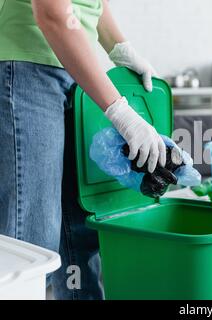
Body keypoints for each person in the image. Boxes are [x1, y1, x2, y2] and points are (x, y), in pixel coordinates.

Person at [0, 0, 170, 299]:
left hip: (75, 71)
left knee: (78, 228)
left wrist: (120, 47)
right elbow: (53, 13)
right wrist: (119, 110)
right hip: (27, 67)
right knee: (32, 241)